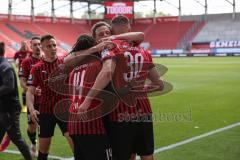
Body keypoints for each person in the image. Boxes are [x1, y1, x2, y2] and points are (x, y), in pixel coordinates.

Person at [79, 15, 163, 160]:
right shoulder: (143, 51)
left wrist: (87, 101)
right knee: (147, 154)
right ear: (129, 29)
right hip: (143, 111)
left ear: (111, 31)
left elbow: (107, 72)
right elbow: (159, 85)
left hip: (119, 113)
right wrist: (139, 90)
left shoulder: (110, 49)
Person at [26, 35, 73, 160]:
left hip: (65, 110)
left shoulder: (65, 62)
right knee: (43, 151)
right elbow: (30, 92)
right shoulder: (37, 68)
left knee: (76, 145)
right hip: (46, 112)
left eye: (54, 45)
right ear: (42, 48)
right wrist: (31, 109)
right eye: (49, 46)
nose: (53, 48)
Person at [0, 42, 32, 160]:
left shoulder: (5, 66)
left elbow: (8, 86)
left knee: (16, 138)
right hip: (3, 109)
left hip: (9, 110)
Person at [19, 36, 42, 157]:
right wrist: (31, 90)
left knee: (43, 127)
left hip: (46, 101)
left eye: (39, 44)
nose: (38, 47)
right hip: (32, 100)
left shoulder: (47, 60)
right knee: (32, 128)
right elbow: (22, 82)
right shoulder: (26, 62)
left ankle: (43, 152)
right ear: (31, 47)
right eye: (35, 45)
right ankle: (33, 143)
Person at [14, 40, 32, 107]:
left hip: (30, 72)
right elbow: (15, 60)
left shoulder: (30, 52)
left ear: (26, 44)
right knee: (25, 89)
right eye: (22, 44)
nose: (24, 45)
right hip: (22, 73)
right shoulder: (18, 53)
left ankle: (31, 103)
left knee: (31, 87)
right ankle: (24, 105)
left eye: (25, 44)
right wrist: (17, 64)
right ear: (21, 45)